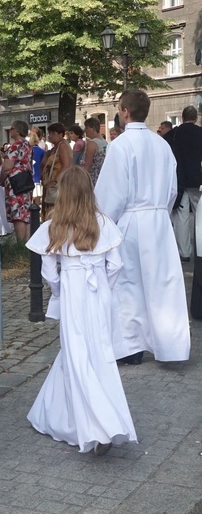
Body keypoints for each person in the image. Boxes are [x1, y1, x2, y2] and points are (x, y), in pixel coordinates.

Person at [26, 166, 137, 456]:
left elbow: (49, 273)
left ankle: (101, 425)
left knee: (76, 353)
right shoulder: (101, 222)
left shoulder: (55, 225)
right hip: (97, 291)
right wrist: (103, 287)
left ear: (62, 193)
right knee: (99, 352)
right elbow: (116, 265)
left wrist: (60, 291)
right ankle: (73, 414)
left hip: (74, 290)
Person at [94, 90, 190, 365]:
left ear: (124, 111)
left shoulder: (122, 145)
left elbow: (112, 193)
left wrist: (102, 225)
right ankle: (170, 345)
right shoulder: (162, 144)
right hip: (159, 221)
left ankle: (131, 346)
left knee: (129, 284)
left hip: (132, 221)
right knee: (162, 283)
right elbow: (172, 189)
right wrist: (161, 211)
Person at [170, 106, 202, 261]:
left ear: (182, 117)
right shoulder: (200, 133)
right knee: (200, 215)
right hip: (198, 180)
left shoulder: (174, 134)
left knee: (181, 217)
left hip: (179, 180)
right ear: (196, 118)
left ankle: (185, 253)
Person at [0, 120, 33, 242]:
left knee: (18, 214)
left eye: (12, 128)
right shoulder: (27, 145)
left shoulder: (15, 146)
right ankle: (27, 243)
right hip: (26, 181)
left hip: (15, 183)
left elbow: (7, 167)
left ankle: (20, 244)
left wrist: (2, 180)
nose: (11, 130)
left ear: (17, 131)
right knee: (25, 213)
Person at [39, 123, 72, 221]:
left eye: (53, 133)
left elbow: (67, 165)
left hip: (57, 186)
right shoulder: (54, 148)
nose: (50, 136)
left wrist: (55, 182)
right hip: (50, 186)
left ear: (61, 134)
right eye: (49, 133)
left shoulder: (63, 146)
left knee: (56, 215)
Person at [80, 117, 108, 187]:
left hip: (93, 179)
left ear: (93, 128)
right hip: (103, 178)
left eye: (87, 128)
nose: (85, 130)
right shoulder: (105, 142)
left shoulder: (92, 143)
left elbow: (88, 165)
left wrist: (82, 181)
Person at [29, 132, 45, 204]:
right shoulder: (41, 151)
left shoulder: (27, 151)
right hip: (38, 176)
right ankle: (37, 212)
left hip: (28, 177)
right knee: (38, 195)